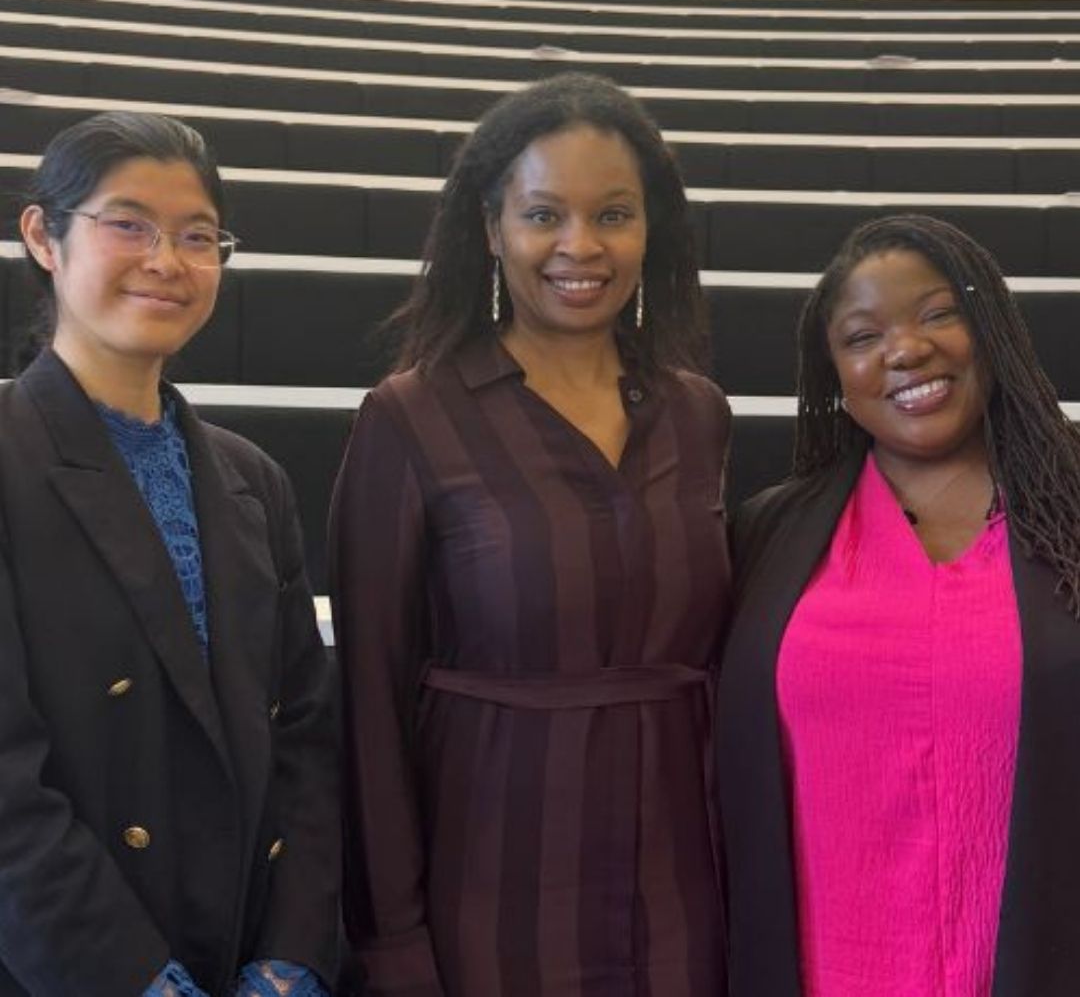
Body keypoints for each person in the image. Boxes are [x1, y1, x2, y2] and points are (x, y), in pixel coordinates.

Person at [329, 72, 730, 997]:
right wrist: (391, 942)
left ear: (651, 229)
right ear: (491, 228)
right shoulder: (411, 416)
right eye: (544, 215)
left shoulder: (697, 414)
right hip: (492, 889)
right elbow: (369, 710)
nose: (580, 246)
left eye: (613, 215)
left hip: (684, 887)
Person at [1, 111, 339, 996]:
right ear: (42, 235)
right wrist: (134, 980)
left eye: (197, 236)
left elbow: (305, 739)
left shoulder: (253, 478)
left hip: (245, 955)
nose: (167, 260)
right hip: (62, 961)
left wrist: (293, 954)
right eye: (129, 225)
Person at [717, 213, 1080, 997]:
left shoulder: (1070, 513)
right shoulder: (768, 533)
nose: (906, 349)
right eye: (862, 336)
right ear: (836, 381)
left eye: (938, 314)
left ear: (990, 331)